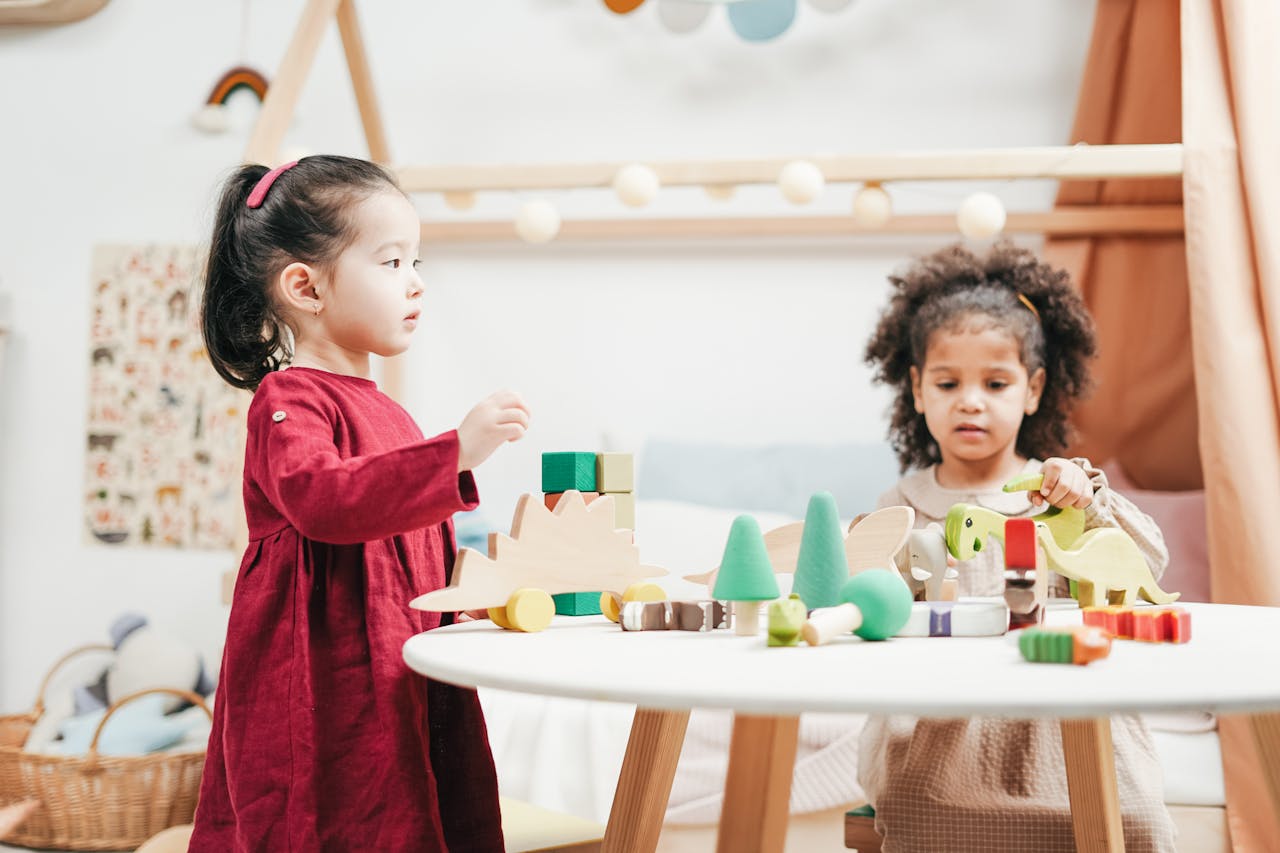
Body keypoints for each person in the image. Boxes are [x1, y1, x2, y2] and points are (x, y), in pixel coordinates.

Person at [190, 155, 530, 851]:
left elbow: (424, 550)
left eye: (417, 261)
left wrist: (475, 613)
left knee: (417, 806)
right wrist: (454, 452)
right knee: (333, 814)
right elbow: (326, 502)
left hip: (398, 667)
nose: (416, 283)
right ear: (305, 287)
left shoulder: (392, 416)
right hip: (322, 678)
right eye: (392, 262)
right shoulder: (289, 402)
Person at [858, 242, 1175, 852]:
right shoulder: (900, 502)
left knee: (1134, 820)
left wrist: (1087, 501)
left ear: (1032, 391)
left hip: (1059, 714)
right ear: (919, 390)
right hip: (944, 722)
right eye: (949, 382)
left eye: (995, 382)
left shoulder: (1060, 487)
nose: (971, 400)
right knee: (925, 814)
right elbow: (874, 604)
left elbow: (1149, 565)